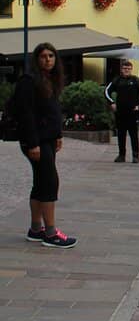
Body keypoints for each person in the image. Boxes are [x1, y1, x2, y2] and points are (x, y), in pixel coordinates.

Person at [15, 42, 76, 248]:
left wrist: (58, 134)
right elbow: (26, 114)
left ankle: (35, 228)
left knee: (41, 183)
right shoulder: (29, 81)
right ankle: (50, 233)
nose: (48, 60)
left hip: (48, 139)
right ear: (36, 59)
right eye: (43, 56)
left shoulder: (50, 80)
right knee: (50, 183)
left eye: (51, 56)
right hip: (36, 141)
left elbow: (53, 111)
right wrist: (32, 143)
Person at [105, 58, 139, 163]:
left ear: (131, 69)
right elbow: (107, 91)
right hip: (120, 112)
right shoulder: (117, 80)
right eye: (125, 68)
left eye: (128, 68)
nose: (126, 70)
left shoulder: (136, 80)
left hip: (133, 112)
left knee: (134, 134)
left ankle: (136, 155)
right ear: (121, 69)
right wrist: (112, 103)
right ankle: (121, 155)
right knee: (121, 134)